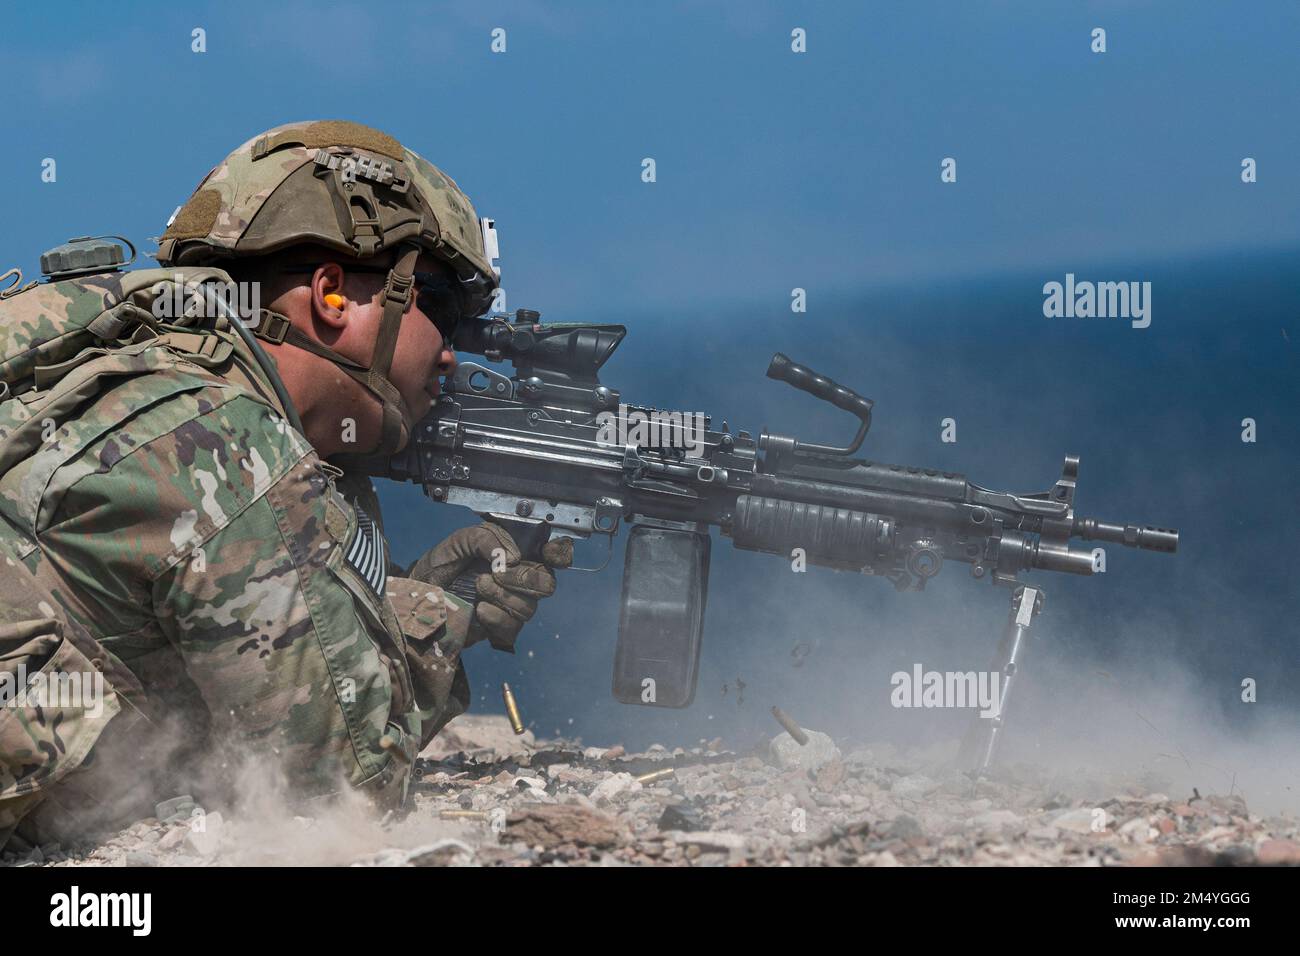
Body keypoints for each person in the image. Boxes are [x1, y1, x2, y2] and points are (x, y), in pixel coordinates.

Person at [0, 120, 569, 848]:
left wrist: (418, 603)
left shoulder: (141, 380)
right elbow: (341, 787)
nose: (452, 355)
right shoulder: (226, 445)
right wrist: (443, 618)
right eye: (442, 306)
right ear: (332, 293)